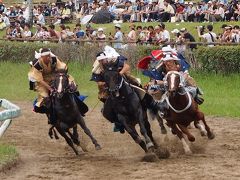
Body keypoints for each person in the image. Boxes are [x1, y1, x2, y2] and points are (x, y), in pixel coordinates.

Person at [91, 46, 165, 132]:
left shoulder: (114, 59)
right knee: (104, 101)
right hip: (107, 86)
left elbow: (126, 66)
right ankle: (117, 122)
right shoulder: (96, 68)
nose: (102, 61)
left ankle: (152, 104)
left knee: (137, 85)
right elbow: (98, 81)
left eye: (103, 59)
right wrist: (108, 82)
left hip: (122, 78)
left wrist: (119, 74)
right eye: (100, 60)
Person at [28, 48, 86, 124]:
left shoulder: (54, 59)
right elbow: (40, 80)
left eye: (49, 55)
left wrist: (62, 73)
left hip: (56, 77)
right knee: (45, 98)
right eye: (46, 56)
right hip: (43, 82)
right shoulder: (37, 64)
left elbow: (62, 68)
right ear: (42, 57)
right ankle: (51, 116)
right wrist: (50, 89)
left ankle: (78, 107)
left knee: (72, 85)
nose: (48, 57)